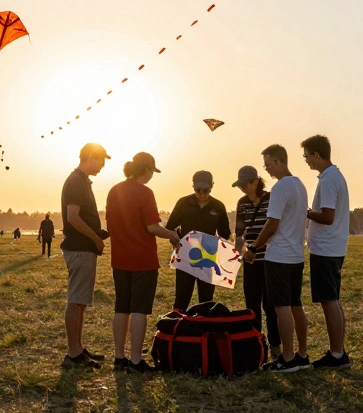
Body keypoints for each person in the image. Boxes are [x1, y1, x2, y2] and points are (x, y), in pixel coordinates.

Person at [106, 152, 181, 373]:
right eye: (151, 172)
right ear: (147, 170)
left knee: (121, 307)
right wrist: (171, 235)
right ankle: (136, 361)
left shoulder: (114, 190)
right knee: (139, 310)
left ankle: (119, 358)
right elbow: (152, 226)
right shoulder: (145, 193)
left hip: (119, 258)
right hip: (143, 259)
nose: (151, 177)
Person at [248, 144, 310, 373]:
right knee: (296, 304)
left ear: (278, 161)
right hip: (296, 255)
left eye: (268, 165)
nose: (267, 171)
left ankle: (287, 357)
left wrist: (254, 247)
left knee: (281, 307)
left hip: (279, 256)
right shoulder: (300, 186)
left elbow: (272, 224)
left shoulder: (280, 188)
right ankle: (301, 355)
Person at [60, 143, 112, 370]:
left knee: (80, 302)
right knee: (76, 300)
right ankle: (73, 353)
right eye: (101, 160)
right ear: (89, 157)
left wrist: (99, 233)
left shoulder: (82, 181)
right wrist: (95, 238)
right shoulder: (75, 182)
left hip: (84, 247)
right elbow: (73, 217)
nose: (102, 166)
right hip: (80, 248)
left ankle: (78, 349)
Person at [302, 135, 351, 369]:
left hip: (326, 249)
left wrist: (308, 213)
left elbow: (328, 217)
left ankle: (336, 354)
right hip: (332, 248)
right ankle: (339, 351)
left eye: (307, 156)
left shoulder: (329, 180)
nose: (306, 161)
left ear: (317, 155)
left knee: (328, 301)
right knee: (334, 300)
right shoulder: (333, 176)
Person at [165, 170, 231, 311]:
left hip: (208, 256)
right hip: (186, 254)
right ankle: (177, 327)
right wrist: (177, 240)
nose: (201, 193)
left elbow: (225, 233)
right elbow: (170, 227)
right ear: (193, 186)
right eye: (198, 189)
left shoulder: (218, 206)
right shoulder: (183, 203)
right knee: (181, 298)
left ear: (212, 186)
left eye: (205, 190)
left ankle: (205, 330)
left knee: (206, 301)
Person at [233, 165, 280, 357]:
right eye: (240, 185)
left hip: (270, 259)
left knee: (271, 305)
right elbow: (238, 235)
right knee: (251, 305)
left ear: (256, 181)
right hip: (250, 262)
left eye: (245, 184)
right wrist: (236, 257)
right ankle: (256, 344)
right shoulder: (242, 203)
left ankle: (276, 346)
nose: (242, 188)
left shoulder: (271, 200)